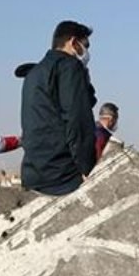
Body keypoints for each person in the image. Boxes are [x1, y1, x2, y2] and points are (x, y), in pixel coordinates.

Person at [20, 20, 97, 195]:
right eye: (85, 46)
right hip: (62, 173)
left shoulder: (34, 73)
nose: (87, 52)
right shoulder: (69, 67)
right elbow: (78, 120)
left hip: (33, 171)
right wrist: (87, 168)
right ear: (72, 42)